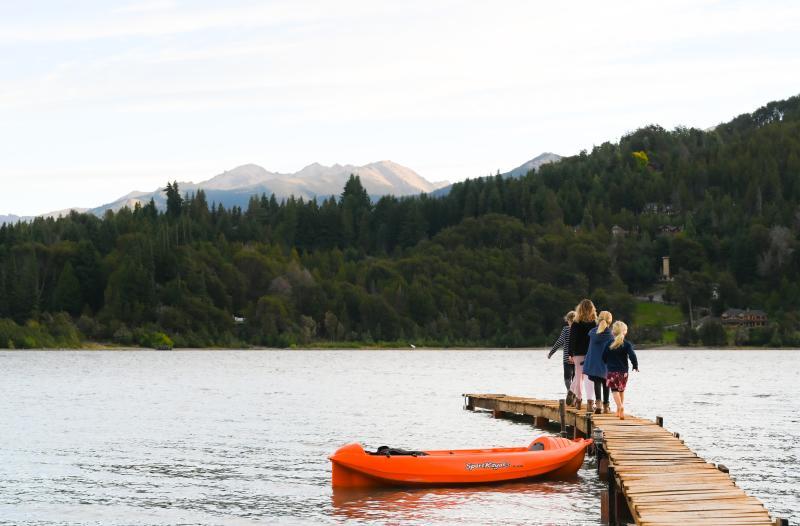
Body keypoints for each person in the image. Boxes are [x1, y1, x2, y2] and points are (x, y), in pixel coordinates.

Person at [602, 321, 639, 419]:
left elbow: (604, 356)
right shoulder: (627, 344)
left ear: (613, 332)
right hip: (624, 372)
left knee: (614, 390)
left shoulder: (609, 344)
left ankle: (620, 406)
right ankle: (620, 410)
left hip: (612, 371)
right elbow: (632, 355)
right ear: (625, 332)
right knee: (621, 390)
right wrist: (635, 365)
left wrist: (606, 362)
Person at [568, 299, 597, 411]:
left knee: (579, 377)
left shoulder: (576, 323)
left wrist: (570, 353)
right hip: (591, 353)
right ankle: (590, 402)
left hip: (578, 353)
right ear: (592, 309)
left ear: (579, 309)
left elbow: (572, 339)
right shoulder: (594, 323)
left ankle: (579, 401)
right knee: (590, 377)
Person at [584, 310, 613, 414]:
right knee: (606, 383)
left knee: (597, 382)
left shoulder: (592, 333)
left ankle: (598, 405)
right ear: (610, 321)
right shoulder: (611, 334)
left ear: (598, 319)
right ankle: (606, 407)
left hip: (595, 363)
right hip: (607, 363)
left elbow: (590, 350)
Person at [547, 310, 576, 404]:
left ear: (568, 320)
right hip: (577, 358)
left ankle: (569, 391)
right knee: (576, 378)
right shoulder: (579, 330)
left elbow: (559, 342)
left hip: (567, 358)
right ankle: (575, 395)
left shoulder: (566, 329)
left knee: (567, 377)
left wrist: (551, 352)